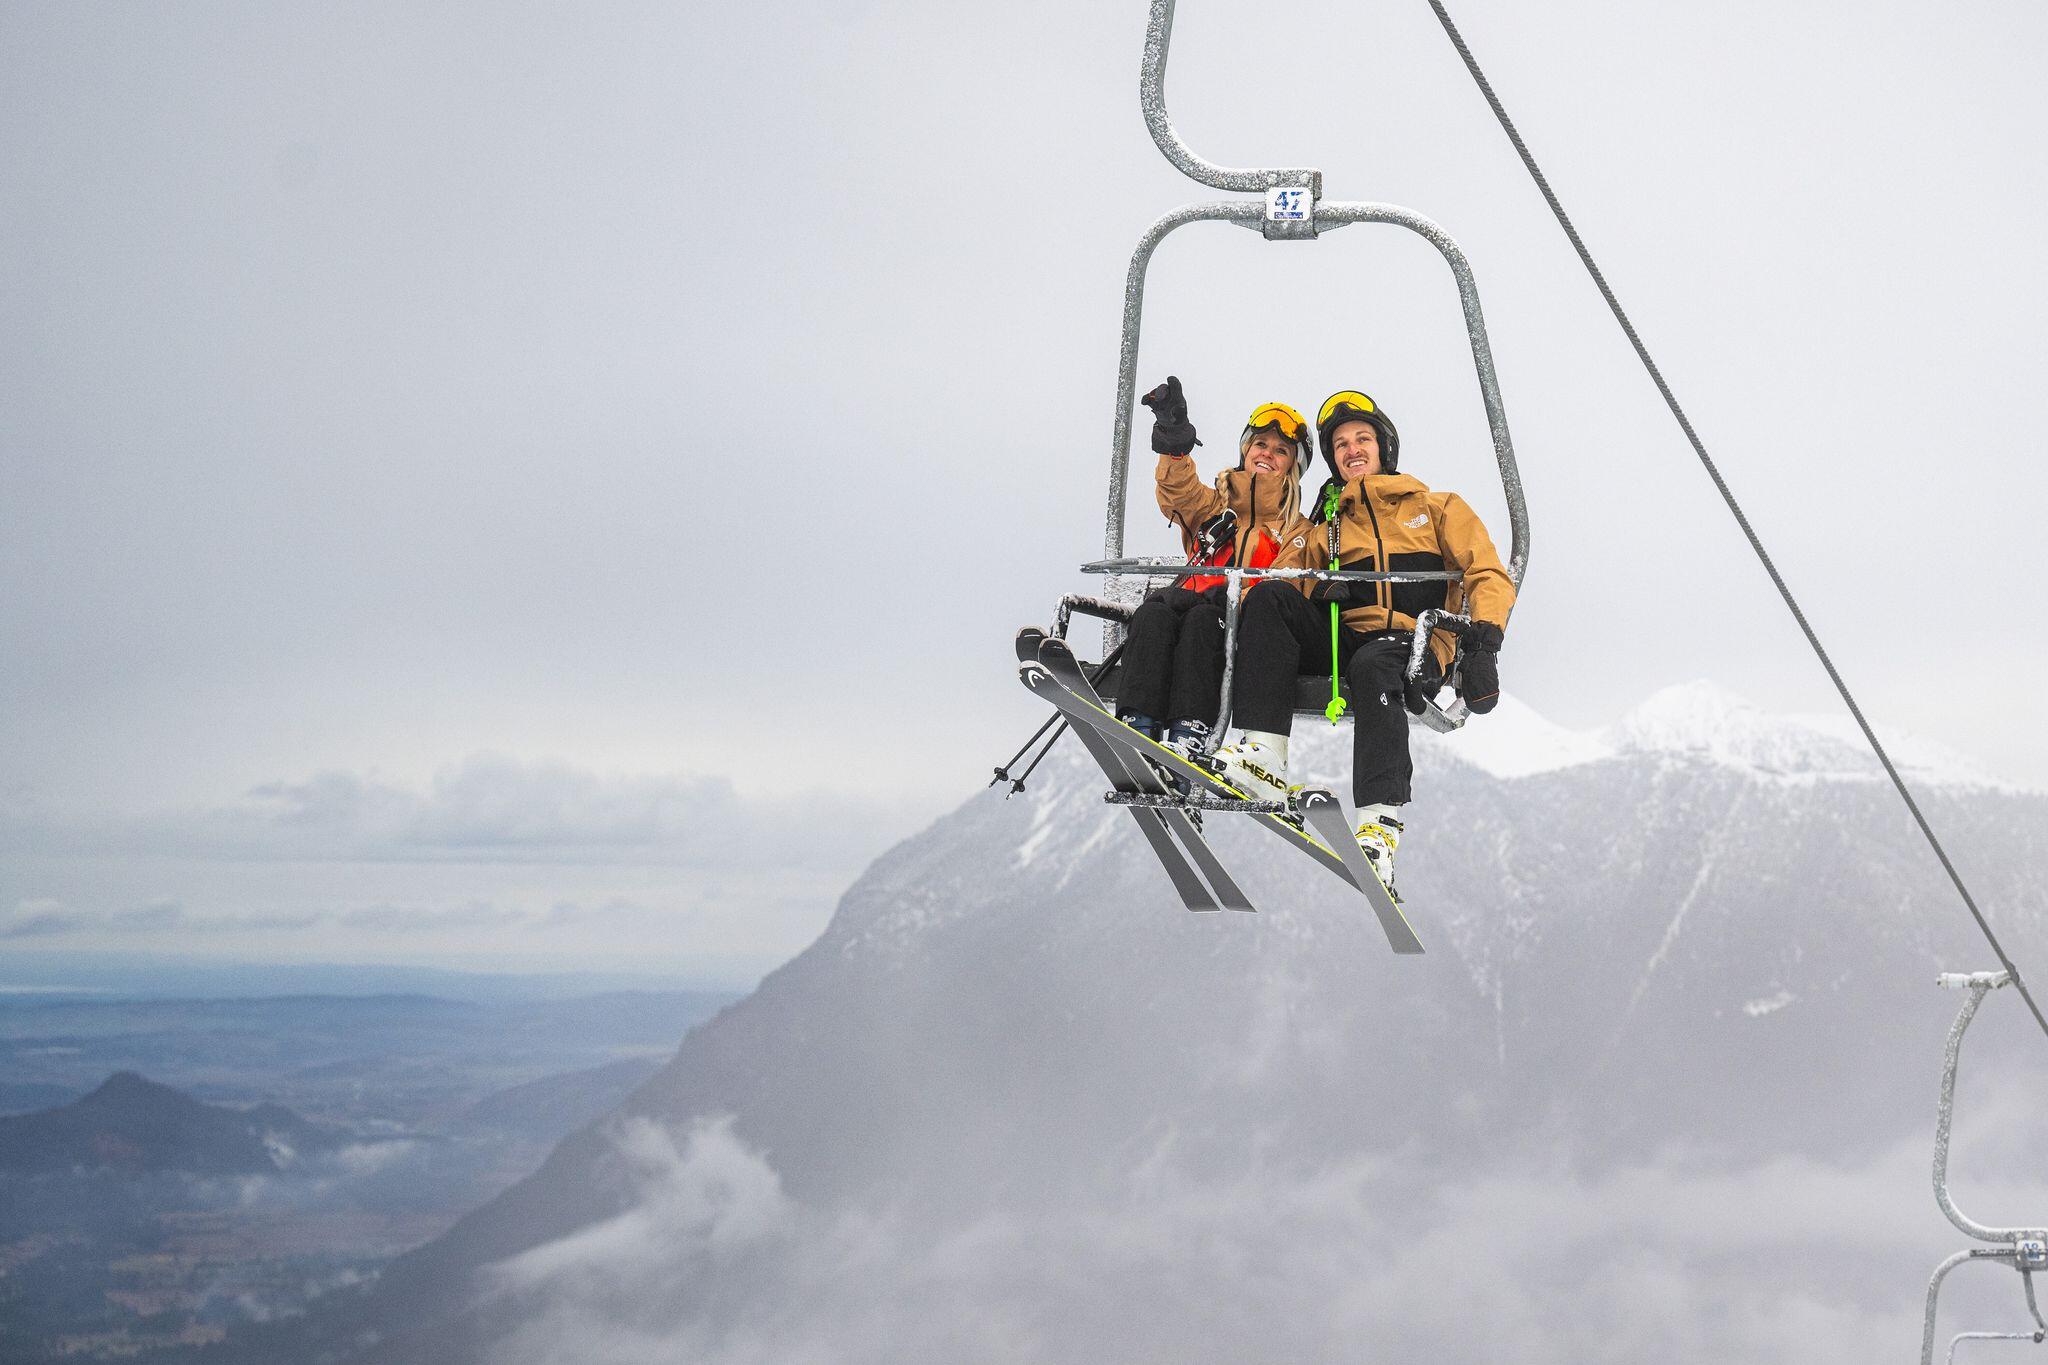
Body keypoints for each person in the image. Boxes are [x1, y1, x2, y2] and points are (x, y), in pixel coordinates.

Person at [1210, 389, 1515, 898]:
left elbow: (1486, 572)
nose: (1352, 450)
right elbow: (1281, 577)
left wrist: (1483, 644)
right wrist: (1314, 585)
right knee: (1270, 599)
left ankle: (1379, 825)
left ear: (1383, 447)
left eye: (1362, 439)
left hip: (1414, 642)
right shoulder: (1326, 530)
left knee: (1375, 664)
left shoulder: (1437, 507)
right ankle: (1263, 755)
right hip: (1347, 640)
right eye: (1341, 445)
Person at [1114, 376, 1315, 761]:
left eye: (1281, 451)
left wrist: (1231, 598)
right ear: (1246, 449)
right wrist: (1174, 444)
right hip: (1184, 618)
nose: (1267, 454)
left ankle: (1189, 733)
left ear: (1294, 466)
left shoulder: (1297, 530)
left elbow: (1288, 585)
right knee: (1153, 613)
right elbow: (1180, 492)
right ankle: (1137, 725)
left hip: (1236, 633)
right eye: (1260, 444)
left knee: (1204, 620)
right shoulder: (1214, 509)